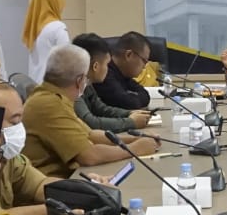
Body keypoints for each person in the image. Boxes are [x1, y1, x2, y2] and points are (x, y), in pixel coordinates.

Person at [0, 77, 112, 215]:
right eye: (14, 121)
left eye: (20, 121)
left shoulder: (9, 156)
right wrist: (67, 208)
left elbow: (40, 185)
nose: (19, 128)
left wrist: (82, 190)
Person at [23, 44, 157, 178]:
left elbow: (91, 135)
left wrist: (135, 139)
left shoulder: (56, 97)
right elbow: (89, 156)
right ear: (80, 80)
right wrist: (134, 149)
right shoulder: (48, 104)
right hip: (50, 186)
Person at [72, 33, 150, 133]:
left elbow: (101, 109)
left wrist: (129, 113)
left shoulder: (86, 83)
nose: (108, 69)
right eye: (106, 64)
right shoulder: (70, 86)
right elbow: (91, 123)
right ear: (95, 67)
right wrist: (131, 122)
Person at [98, 31, 156, 110]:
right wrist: (133, 97)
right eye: (144, 61)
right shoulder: (104, 74)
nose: (144, 67)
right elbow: (128, 103)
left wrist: (133, 97)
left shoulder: (123, 74)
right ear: (129, 55)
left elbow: (145, 95)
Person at [23, 0, 69, 83]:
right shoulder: (58, 27)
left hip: (34, 82)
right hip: (52, 86)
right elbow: (67, 58)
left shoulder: (33, 28)